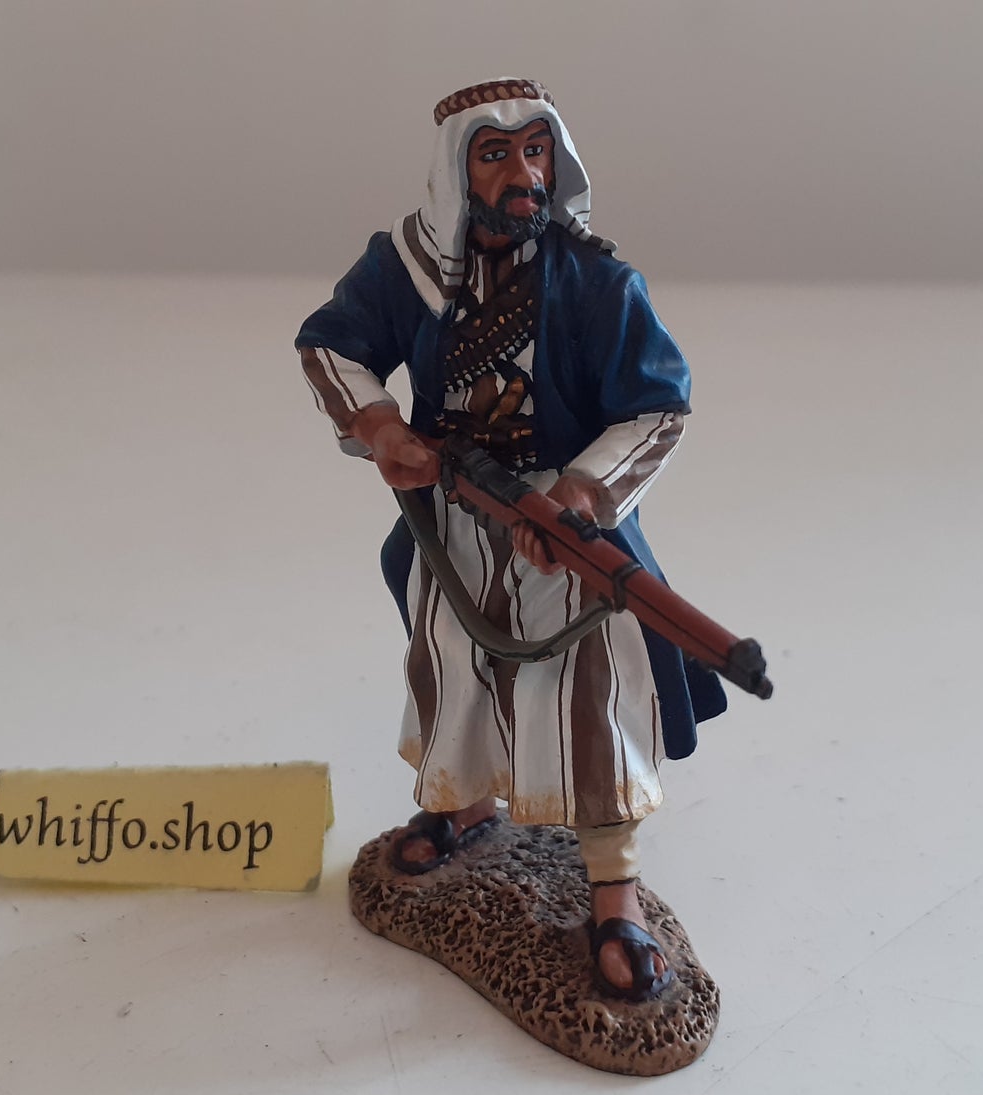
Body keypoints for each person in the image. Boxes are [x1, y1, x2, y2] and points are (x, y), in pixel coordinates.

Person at [296, 79, 725, 1001]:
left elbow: (658, 406)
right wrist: (382, 427)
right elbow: (330, 346)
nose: (523, 173)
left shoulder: (598, 283)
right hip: (451, 517)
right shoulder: (404, 268)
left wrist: (580, 493)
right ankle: (462, 808)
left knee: (588, 699)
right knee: (454, 670)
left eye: (536, 150)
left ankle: (615, 896)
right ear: (457, 169)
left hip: (562, 537)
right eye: (496, 154)